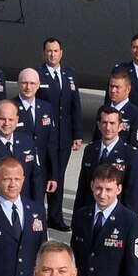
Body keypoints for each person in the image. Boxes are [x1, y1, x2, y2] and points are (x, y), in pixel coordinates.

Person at [37, 37, 82, 227]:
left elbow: (75, 106)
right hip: (44, 136)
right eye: (49, 51)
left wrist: (77, 134)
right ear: (44, 53)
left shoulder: (69, 75)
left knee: (58, 177)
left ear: (61, 53)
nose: (52, 54)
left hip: (63, 137)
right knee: (41, 175)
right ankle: (37, 215)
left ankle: (55, 217)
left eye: (55, 51)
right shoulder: (37, 75)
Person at [10, 69, 61, 221]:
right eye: (25, 83)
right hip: (18, 171)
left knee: (37, 210)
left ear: (38, 85)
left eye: (32, 83)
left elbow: (51, 143)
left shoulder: (46, 108)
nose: (28, 87)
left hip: (40, 171)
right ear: (18, 84)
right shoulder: (10, 107)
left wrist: (53, 175)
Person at [76, 105, 138, 215]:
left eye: (112, 123)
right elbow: (82, 188)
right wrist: (78, 216)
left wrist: (127, 220)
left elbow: (133, 194)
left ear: (120, 126)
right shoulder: (90, 150)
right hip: (90, 214)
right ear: (99, 126)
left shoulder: (131, 154)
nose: (108, 128)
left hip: (116, 216)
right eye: (104, 123)